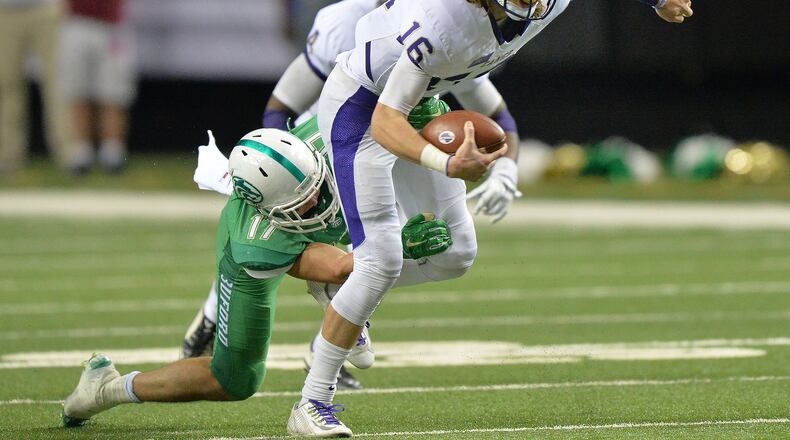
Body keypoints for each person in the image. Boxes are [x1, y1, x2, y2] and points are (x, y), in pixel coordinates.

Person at [287, 0, 694, 437]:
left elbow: (485, 111)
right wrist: (444, 166)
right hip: (360, 112)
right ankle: (312, 403)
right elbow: (386, 120)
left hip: (420, 102)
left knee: (456, 253)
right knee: (380, 262)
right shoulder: (445, 22)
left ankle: (342, 284)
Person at [61, 123, 453, 428]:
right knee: (234, 380)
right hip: (267, 255)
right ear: (273, 211)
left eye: (313, 188)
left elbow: (383, 113)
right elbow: (337, 265)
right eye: (304, 204)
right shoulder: (259, 242)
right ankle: (107, 389)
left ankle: (337, 297)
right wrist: (400, 243)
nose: (319, 201)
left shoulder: (327, 131)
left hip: (312, 210)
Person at [60, 0, 136, 173]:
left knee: (113, 93)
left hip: (111, 24)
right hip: (76, 22)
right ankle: (81, 152)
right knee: (77, 90)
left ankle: (113, 152)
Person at [0, 0, 72, 175]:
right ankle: (8, 156)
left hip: (45, 8)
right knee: (7, 85)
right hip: (5, 11)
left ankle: (68, 155)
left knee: (57, 84)